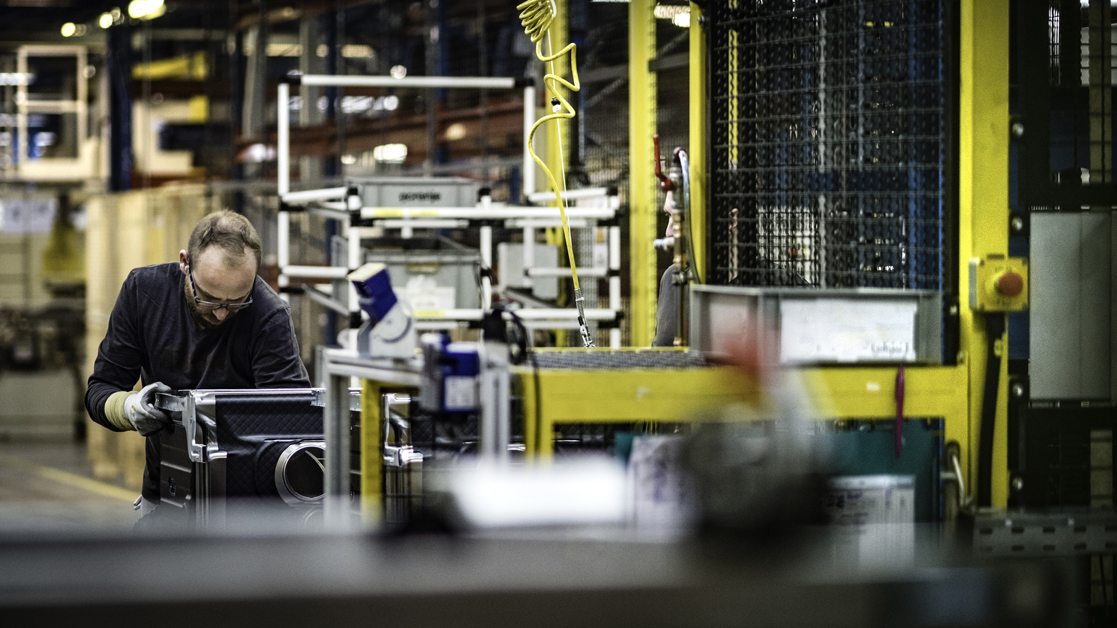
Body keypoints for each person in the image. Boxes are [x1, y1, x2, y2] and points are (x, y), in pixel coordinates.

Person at [85, 211, 310, 516]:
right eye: (210, 298)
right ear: (184, 263)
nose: (221, 313)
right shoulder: (144, 293)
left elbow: (291, 418)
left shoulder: (268, 315)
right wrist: (131, 408)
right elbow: (101, 389)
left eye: (237, 301)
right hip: (166, 492)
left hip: (246, 506)